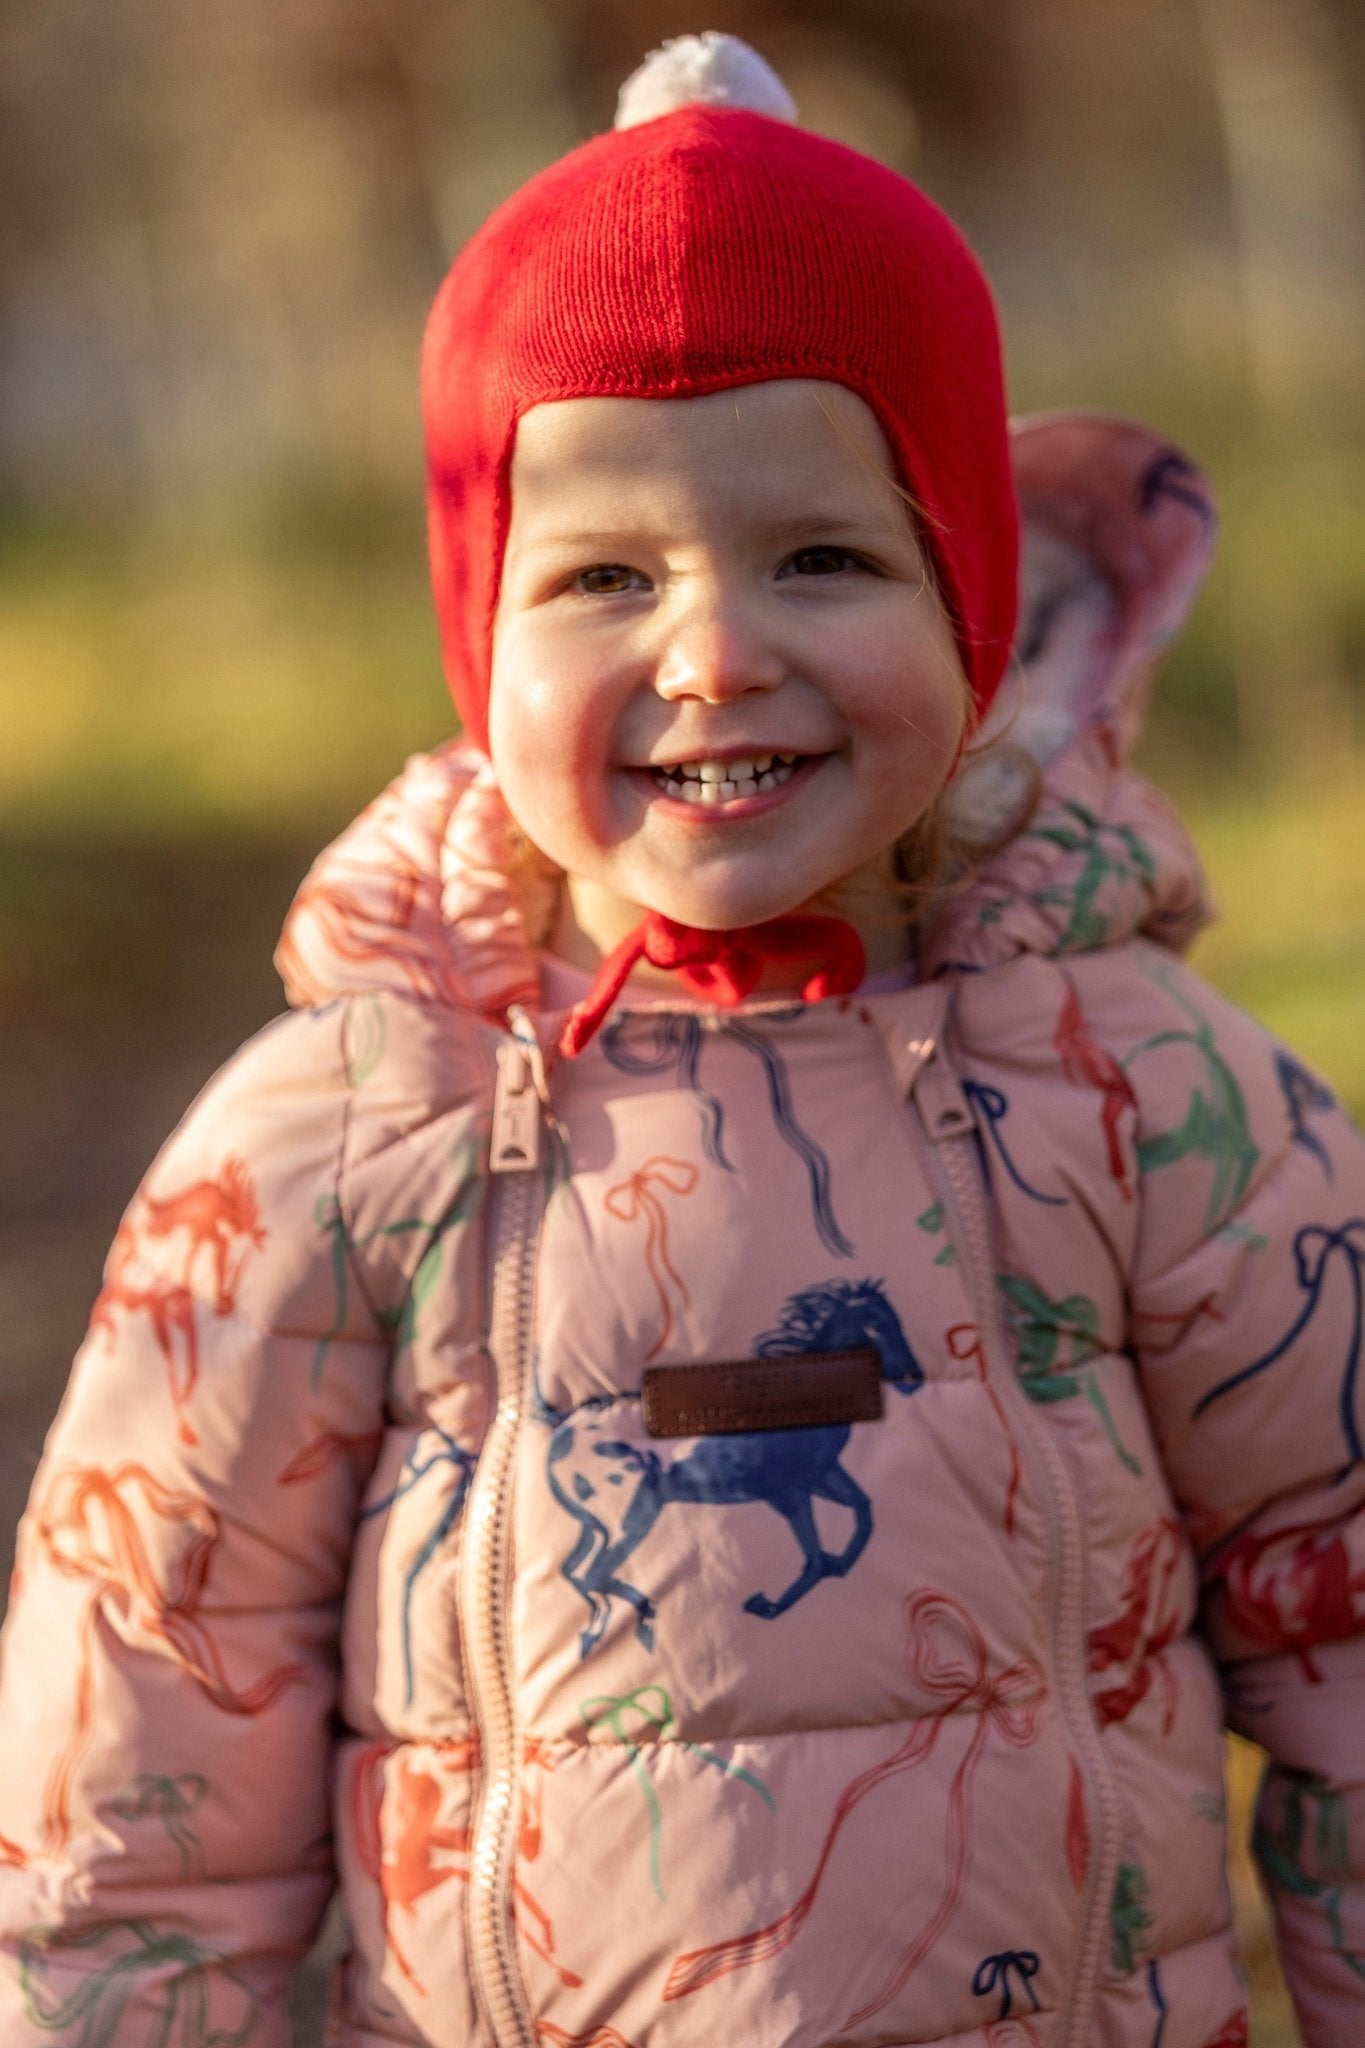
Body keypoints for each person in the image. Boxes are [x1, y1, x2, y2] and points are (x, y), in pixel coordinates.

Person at [0, 31, 1361, 2048]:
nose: (714, 650)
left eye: (822, 556)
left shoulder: (1143, 1093)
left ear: (968, 601)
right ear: (480, 637)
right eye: (601, 575)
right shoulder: (341, 1135)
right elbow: (136, 1768)